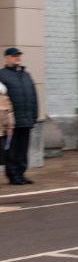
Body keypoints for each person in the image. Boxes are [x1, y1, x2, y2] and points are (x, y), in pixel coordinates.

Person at [0, 48, 38, 185]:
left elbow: (33, 96)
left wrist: (34, 116)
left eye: (18, 56)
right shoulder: (2, 75)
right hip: (10, 122)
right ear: (7, 58)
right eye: (14, 56)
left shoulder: (27, 75)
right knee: (11, 150)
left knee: (23, 149)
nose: (17, 58)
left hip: (26, 120)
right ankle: (13, 175)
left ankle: (21, 174)